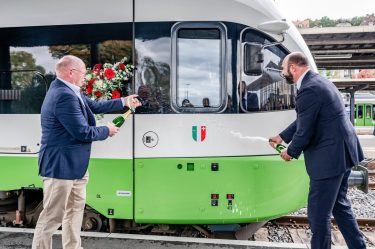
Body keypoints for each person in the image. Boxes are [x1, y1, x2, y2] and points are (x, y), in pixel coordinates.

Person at [32, 55, 141, 249]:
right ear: (71, 72)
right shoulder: (63, 95)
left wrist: (123, 101)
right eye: (83, 73)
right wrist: (106, 130)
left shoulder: (71, 91)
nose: (85, 76)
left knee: (74, 212)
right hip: (60, 167)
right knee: (51, 217)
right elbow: (82, 132)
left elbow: (95, 106)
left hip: (76, 167)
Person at [269, 52, 366, 249]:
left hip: (328, 159)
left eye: (283, 69)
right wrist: (282, 137)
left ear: (293, 68)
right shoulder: (319, 81)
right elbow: (305, 118)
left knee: (318, 214)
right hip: (343, 154)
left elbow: (305, 131)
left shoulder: (309, 90)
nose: (282, 72)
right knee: (340, 206)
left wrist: (290, 152)